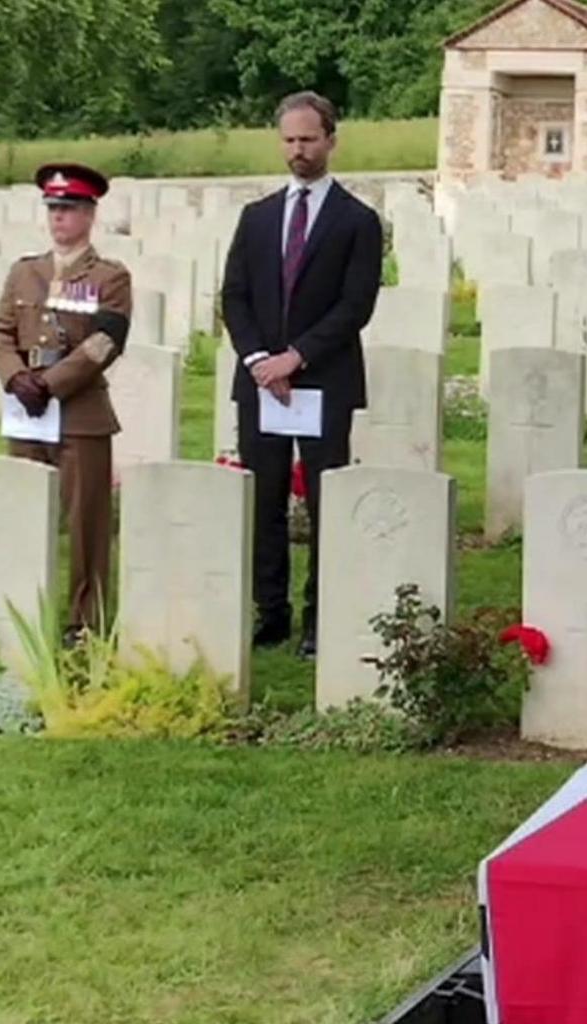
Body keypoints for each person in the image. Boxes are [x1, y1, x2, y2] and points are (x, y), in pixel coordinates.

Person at [221, 90, 383, 658]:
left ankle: (321, 614)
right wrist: (260, 362)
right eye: (289, 140)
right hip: (261, 382)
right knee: (264, 499)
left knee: (323, 503)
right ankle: (272, 611)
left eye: (308, 139)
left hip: (323, 380)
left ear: (331, 140)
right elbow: (234, 295)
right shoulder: (258, 217)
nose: (298, 150)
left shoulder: (357, 221)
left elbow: (355, 304)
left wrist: (298, 357)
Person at [0, 164, 132, 641]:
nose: (58, 219)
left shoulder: (110, 277)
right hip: (26, 411)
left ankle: (84, 618)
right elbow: (1, 332)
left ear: (90, 214)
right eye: (53, 209)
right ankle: (22, 605)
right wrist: (14, 378)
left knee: (85, 521)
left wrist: (49, 384)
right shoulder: (24, 271)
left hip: (78, 412)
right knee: (22, 511)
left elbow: (104, 344)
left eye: (69, 209)